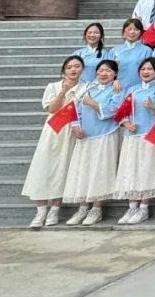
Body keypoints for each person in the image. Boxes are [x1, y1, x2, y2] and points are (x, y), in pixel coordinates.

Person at [22, 56, 87, 228]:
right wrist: (62, 92)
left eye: (77, 66)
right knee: (43, 168)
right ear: (64, 70)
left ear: (83, 69)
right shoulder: (53, 86)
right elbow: (52, 109)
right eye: (69, 67)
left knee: (62, 169)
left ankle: (55, 210)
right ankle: (40, 211)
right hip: (53, 130)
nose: (73, 70)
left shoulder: (85, 88)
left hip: (71, 132)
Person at [62, 58, 123, 226]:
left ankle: (96, 208)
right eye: (101, 70)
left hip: (105, 134)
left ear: (115, 74)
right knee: (84, 171)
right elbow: (76, 109)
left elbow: (113, 110)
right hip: (85, 135)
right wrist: (75, 126)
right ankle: (82, 208)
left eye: (108, 71)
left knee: (100, 171)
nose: (103, 74)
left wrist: (93, 104)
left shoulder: (117, 89)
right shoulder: (88, 88)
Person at [113, 56, 155, 225]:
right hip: (132, 136)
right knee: (131, 170)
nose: (146, 72)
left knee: (146, 170)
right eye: (143, 69)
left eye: (149, 69)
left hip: (150, 136)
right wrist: (126, 123)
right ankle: (132, 207)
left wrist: (154, 108)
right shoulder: (132, 90)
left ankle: (144, 207)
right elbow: (122, 111)